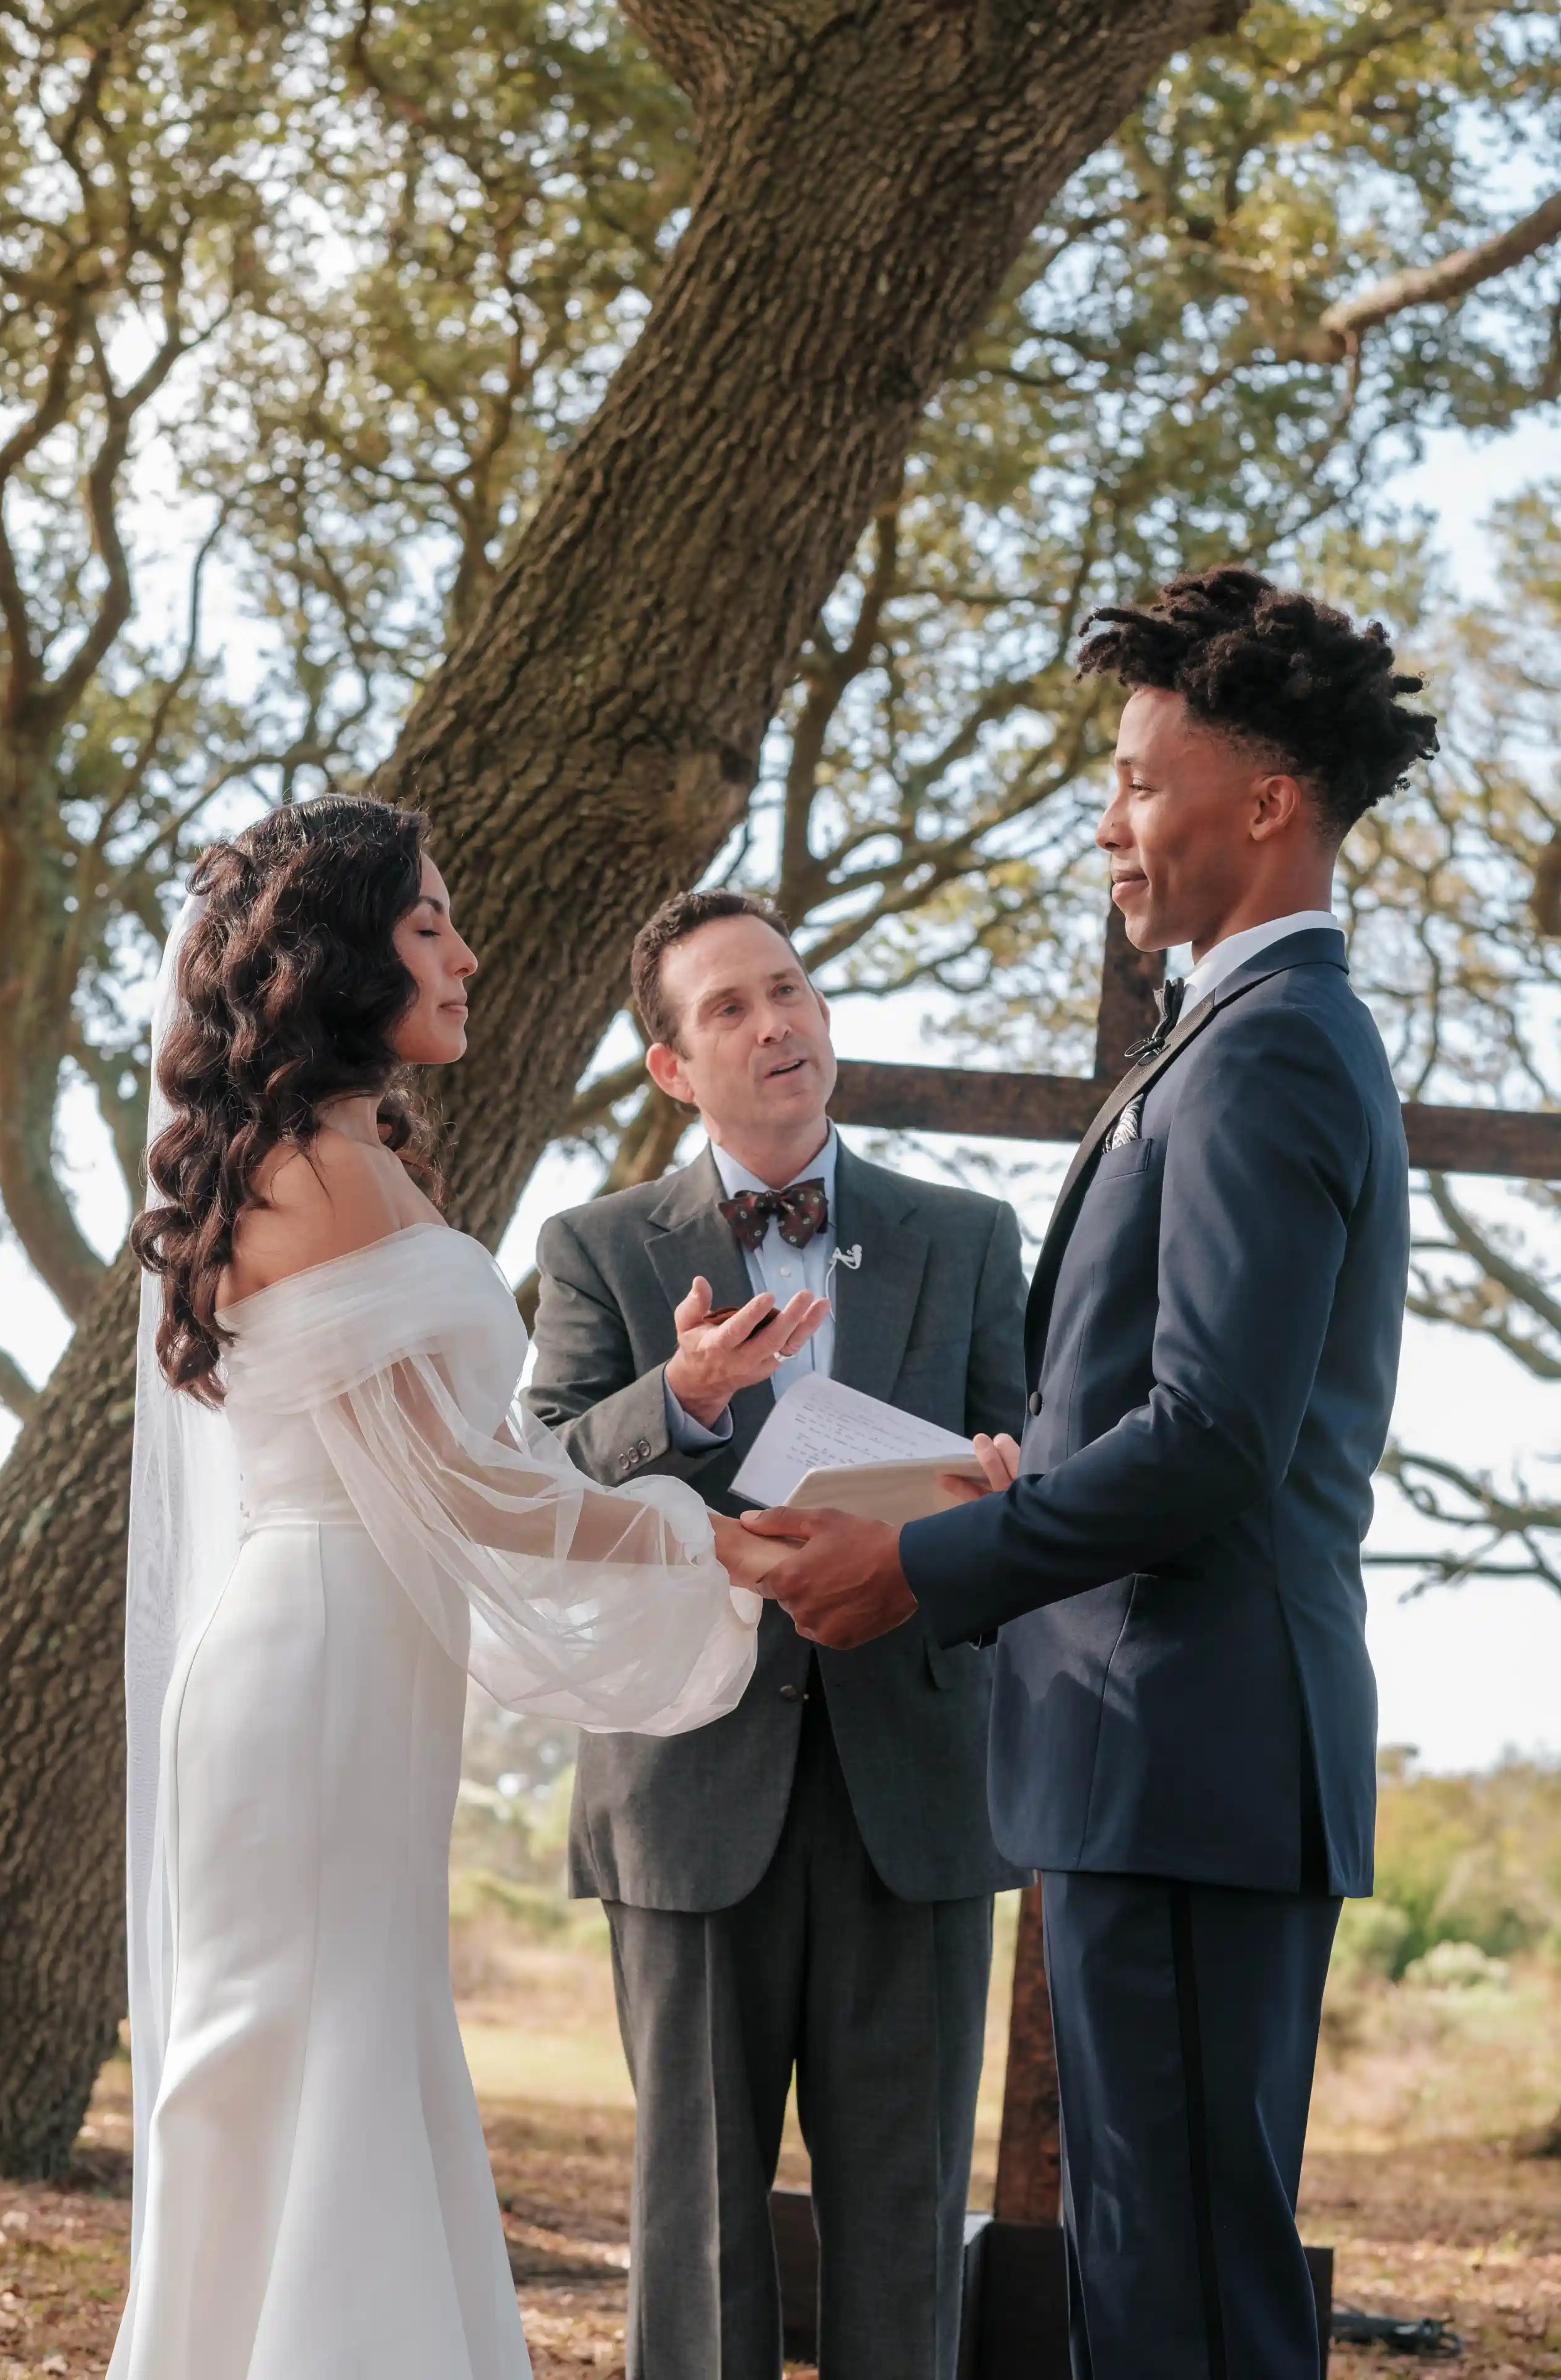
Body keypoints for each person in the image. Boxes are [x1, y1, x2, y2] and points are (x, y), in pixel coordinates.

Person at [744, 568, 1440, 2380]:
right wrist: (1011, 1474)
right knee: (1148, 2288)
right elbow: (1173, 1410)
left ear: (1269, 800)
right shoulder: (1226, 1036)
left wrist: (924, 1571)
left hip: (1192, 1754)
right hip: (1155, 1758)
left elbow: (1218, 1440)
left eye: (1140, 777)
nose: (1111, 821)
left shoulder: (1268, 1050)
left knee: (1186, 2306)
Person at [112, 798, 778, 2380]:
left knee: (348, 2034)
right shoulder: (319, 1176)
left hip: (360, 1649)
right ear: (341, 958)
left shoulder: (348, 1157)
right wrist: (705, 1541)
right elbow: (476, 1489)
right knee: (313, 2045)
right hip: (322, 1653)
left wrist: (666, 1428)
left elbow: (471, 1461)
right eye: (428, 925)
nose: (466, 953)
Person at [524, 889, 1029, 2380]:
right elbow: (541, 1475)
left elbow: (1030, 1463)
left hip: (918, 1790)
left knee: (906, 2218)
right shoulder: (595, 1246)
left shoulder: (968, 1233)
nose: (776, 1023)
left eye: (790, 989)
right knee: (697, 2231)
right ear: (675, 1068)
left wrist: (1001, 1490)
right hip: (686, 1788)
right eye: (730, 1009)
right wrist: (675, 1398)